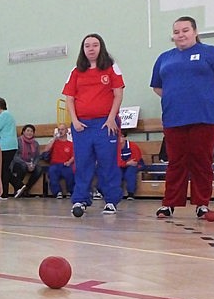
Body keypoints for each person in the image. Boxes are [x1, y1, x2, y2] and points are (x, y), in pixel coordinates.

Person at [150, 16, 214, 219]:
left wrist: (209, 97)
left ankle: (202, 204)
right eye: (177, 31)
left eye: (185, 30)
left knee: (202, 161)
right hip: (174, 118)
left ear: (195, 32)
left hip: (205, 117)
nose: (181, 35)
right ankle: (169, 203)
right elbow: (157, 86)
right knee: (175, 161)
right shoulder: (164, 58)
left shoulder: (211, 53)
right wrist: (177, 98)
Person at [63, 33, 124, 216]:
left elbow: (118, 94)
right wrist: (74, 121)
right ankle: (80, 199)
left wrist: (111, 118)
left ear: (101, 47)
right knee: (82, 163)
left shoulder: (112, 68)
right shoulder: (76, 71)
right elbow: (69, 98)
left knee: (108, 163)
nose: (91, 48)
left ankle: (111, 200)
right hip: (82, 126)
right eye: (87, 45)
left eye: (95, 45)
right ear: (83, 49)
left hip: (106, 124)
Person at [0, 97, 17, 199]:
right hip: (9, 145)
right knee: (4, 169)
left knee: (2, 170)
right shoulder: (8, 115)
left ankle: (5, 192)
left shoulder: (4, 115)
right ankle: (8, 190)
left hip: (6, 146)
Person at [9, 124, 43, 198]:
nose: (29, 133)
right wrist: (25, 163)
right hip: (19, 163)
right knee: (22, 166)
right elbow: (15, 156)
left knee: (39, 169)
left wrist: (33, 164)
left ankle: (27, 188)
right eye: (27, 130)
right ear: (23, 132)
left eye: (31, 131)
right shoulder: (18, 141)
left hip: (31, 164)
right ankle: (17, 188)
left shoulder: (35, 143)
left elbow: (37, 156)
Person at [45, 124, 75, 199]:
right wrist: (54, 138)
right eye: (59, 130)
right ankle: (57, 192)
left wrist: (69, 162)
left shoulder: (70, 144)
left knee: (70, 174)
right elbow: (46, 150)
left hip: (66, 164)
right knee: (52, 173)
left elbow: (74, 155)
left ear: (67, 131)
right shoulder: (54, 142)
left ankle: (70, 191)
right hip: (55, 164)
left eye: (62, 129)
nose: (60, 131)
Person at [117, 132, 144, 200]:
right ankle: (117, 193)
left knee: (129, 173)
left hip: (136, 164)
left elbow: (136, 159)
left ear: (124, 137)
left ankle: (131, 193)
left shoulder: (132, 145)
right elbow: (115, 160)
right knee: (117, 173)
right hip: (123, 165)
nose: (120, 138)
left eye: (122, 136)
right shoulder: (114, 148)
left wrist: (127, 163)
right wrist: (126, 163)